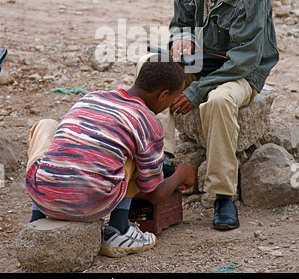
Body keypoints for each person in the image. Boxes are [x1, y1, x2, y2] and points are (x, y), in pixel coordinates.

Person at [137, 0, 279, 231]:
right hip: (203, 61)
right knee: (149, 69)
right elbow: (179, 26)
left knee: (218, 100)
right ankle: (161, 158)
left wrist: (196, 89)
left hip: (243, 71)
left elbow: (244, 60)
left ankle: (222, 195)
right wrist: (180, 42)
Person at [25, 54, 195, 258]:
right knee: (134, 152)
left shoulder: (91, 98)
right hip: (91, 205)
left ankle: (37, 217)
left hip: (42, 196)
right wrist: (181, 174)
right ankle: (119, 229)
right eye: (172, 99)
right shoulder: (148, 121)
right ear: (163, 95)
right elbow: (154, 192)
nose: (169, 105)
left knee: (46, 126)